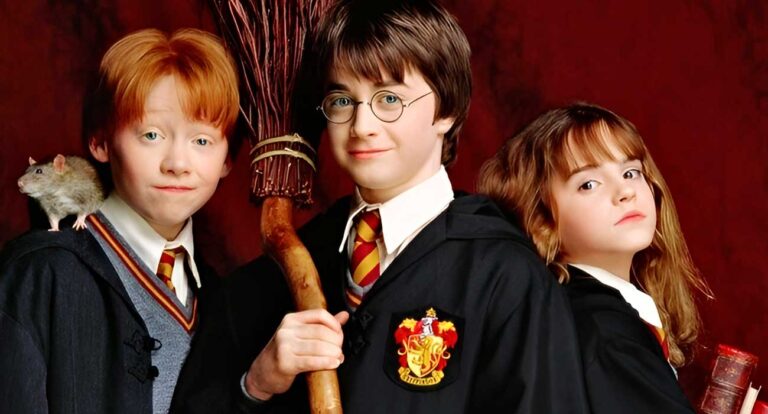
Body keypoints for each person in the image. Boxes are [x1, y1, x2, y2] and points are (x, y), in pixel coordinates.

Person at [172, 1, 589, 413]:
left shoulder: (503, 274)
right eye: (342, 100)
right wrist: (256, 385)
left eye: (389, 98)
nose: (362, 126)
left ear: (446, 109)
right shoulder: (279, 275)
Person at [0, 28, 239, 414]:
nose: (177, 164)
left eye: (202, 141)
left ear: (227, 159)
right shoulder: (41, 272)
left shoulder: (221, 298)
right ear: (101, 142)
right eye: (151, 135)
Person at [478, 102, 712, 413]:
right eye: (588, 184)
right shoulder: (602, 332)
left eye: (631, 172)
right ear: (541, 220)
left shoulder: (584, 314)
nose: (625, 192)